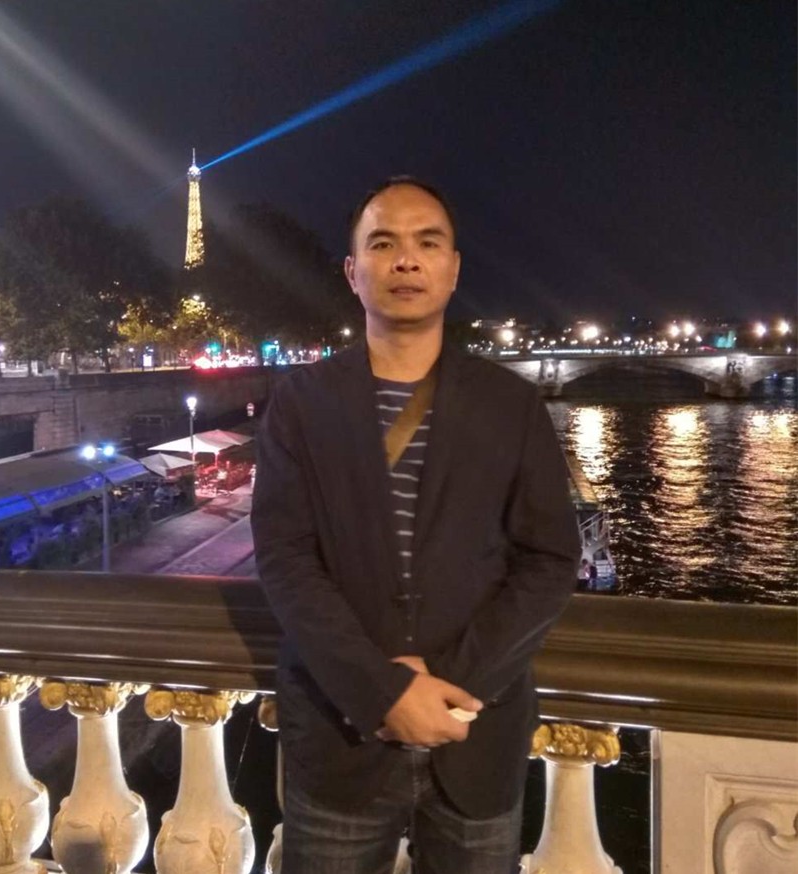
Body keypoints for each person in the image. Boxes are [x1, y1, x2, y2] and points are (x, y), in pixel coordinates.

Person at [251, 177, 580, 873]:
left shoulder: (512, 405)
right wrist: (381, 693)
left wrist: (452, 685)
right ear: (352, 272)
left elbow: (550, 558)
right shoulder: (301, 404)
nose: (406, 260)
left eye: (427, 243)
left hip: (475, 735)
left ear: (453, 269)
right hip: (340, 737)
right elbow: (285, 558)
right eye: (383, 244)